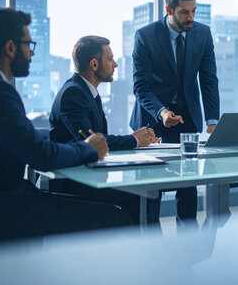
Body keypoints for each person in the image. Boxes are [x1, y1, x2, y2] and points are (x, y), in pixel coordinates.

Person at [0, 8, 131, 243]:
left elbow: (27, 143)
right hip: (0, 212)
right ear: (10, 47)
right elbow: (41, 156)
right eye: (28, 44)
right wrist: (89, 148)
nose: (31, 53)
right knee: (116, 217)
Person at [130, 0, 220, 226]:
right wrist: (161, 111)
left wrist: (212, 121)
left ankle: (187, 250)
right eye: (184, 12)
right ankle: (154, 252)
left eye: (194, 11)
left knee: (188, 189)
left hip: (188, 119)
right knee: (152, 191)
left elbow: (209, 80)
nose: (190, 17)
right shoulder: (145, 36)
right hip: (151, 120)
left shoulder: (202, 33)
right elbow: (141, 86)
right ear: (169, 9)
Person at [49, 35, 159, 223]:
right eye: (110, 59)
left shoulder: (87, 91)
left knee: (146, 192)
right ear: (94, 64)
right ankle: (143, 249)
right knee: (142, 195)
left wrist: (137, 139)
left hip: (89, 173)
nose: (115, 64)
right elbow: (92, 141)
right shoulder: (73, 93)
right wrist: (134, 140)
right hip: (74, 182)